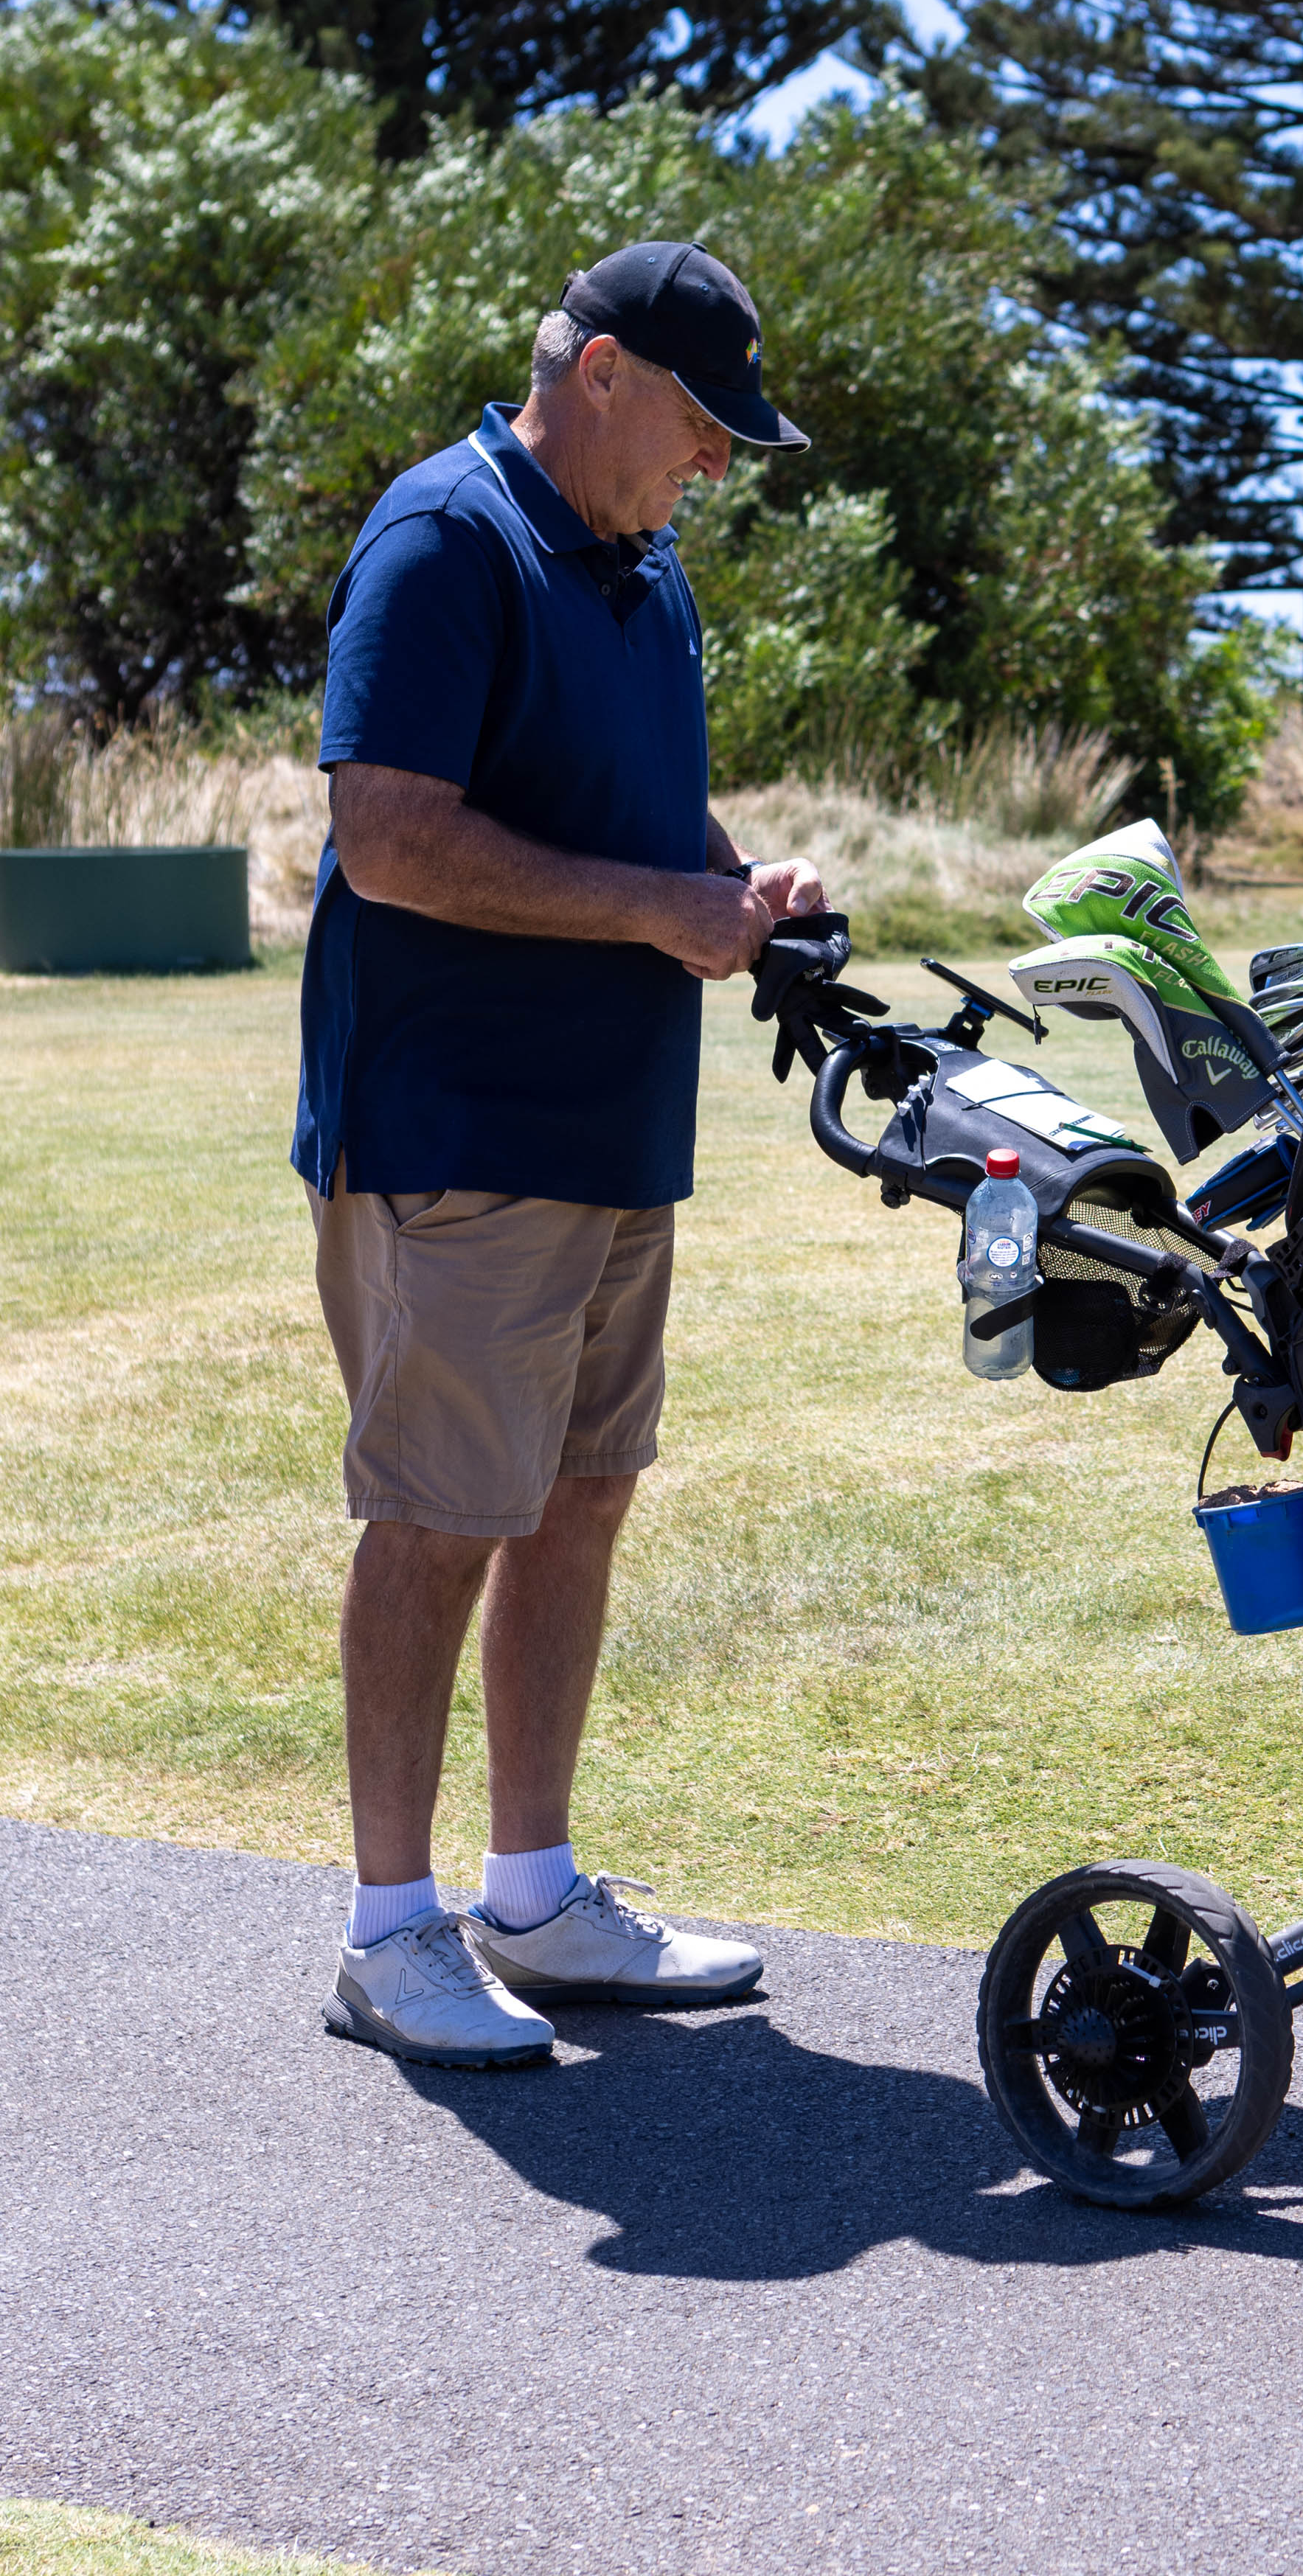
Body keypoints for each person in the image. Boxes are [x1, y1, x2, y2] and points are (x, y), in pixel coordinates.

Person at [291, 240, 824, 2069]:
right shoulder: (447, 535)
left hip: (609, 1130)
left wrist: (733, 885)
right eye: (701, 422)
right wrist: (656, 908)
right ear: (598, 370)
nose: (720, 465)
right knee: (440, 1515)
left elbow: (640, 815)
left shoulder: (639, 565)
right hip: (454, 1127)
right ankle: (388, 1928)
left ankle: (535, 1894)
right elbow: (390, 839)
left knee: (579, 1495)